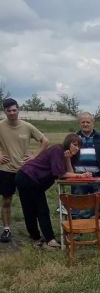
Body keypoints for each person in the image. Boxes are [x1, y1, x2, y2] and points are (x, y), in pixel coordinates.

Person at [15, 133, 86, 248]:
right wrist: (80, 176)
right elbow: (61, 174)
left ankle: (46, 239)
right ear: (68, 143)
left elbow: (69, 174)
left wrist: (68, 159)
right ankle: (40, 238)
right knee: (32, 209)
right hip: (27, 176)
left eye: (78, 146)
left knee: (41, 210)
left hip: (36, 182)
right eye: (74, 144)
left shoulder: (67, 156)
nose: (76, 148)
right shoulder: (58, 149)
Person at [0, 98, 49, 243]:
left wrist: (34, 156)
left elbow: (45, 141)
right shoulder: (1, 126)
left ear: (18, 110)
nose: (12, 113)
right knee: (7, 200)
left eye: (14, 110)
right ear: (5, 112)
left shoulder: (27, 126)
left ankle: (33, 232)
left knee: (28, 202)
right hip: (6, 169)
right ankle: (6, 230)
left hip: (24, 171)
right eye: (9, 110)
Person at [72, 111, 100, 218]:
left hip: (97, 177)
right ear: (79, 123)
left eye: (88, 122)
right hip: (78, 177)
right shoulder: (73, 138)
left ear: (93, 123)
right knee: (78, 205)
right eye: (83, 122)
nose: (85, 124)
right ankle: (77, 229)